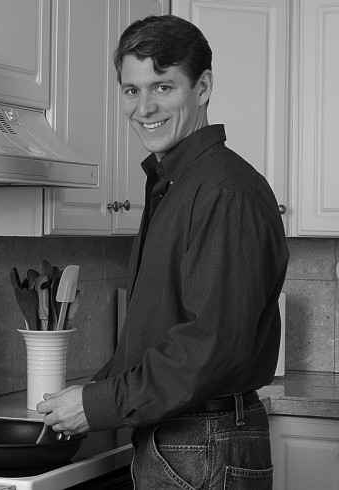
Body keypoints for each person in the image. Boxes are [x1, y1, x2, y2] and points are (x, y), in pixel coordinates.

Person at [37, 14, 289, 489]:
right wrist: (91, 393)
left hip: (202, 439)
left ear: (203, 87)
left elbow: (209, 346)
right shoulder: (175, 183)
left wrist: (95, 405)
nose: (144, 107)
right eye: (132, 90)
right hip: (186, 439)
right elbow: (156, 329)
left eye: (163, 87)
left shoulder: (220, 190)